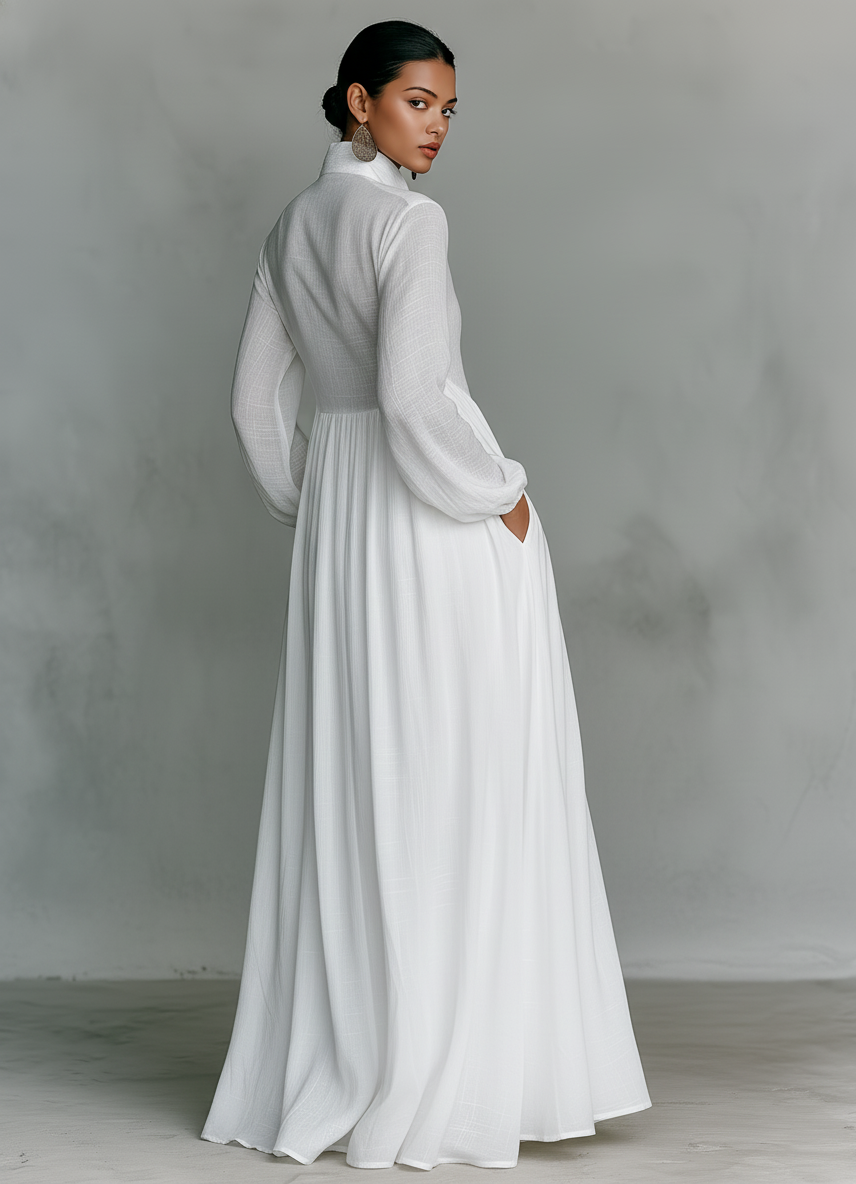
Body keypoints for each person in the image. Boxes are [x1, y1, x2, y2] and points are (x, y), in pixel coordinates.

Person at [200, 18, 651, 1171]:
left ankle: (366, 1054)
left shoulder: (292, 226)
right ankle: (463, 1072)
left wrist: (309, 507)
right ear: (358, 100)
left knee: (366, 778)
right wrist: (501, 492)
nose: (438, 125)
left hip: (346, 523)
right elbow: (412, 399)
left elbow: (255, 408)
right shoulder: (408, 220)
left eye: (449, 108)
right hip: (434, 517)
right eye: (417, 101)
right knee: (462, 774)